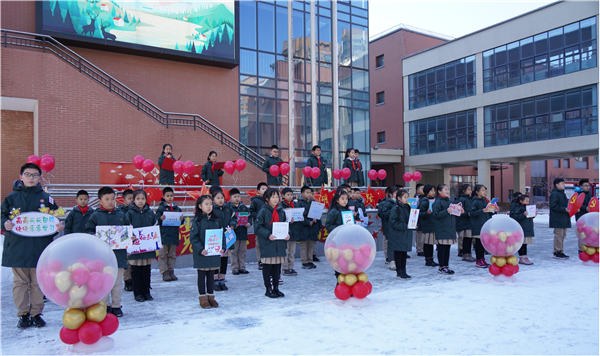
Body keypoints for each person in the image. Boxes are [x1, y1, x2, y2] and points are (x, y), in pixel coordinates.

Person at [1, 163, 63, 328]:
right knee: (20, 282)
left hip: (40, 248)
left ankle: (36, 313)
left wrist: (57, 226)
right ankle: (23, 314)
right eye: (27, 174)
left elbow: (55, 218)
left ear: (39, 178)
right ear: (21, 177)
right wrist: (4, 223)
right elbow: (2, 216)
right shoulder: (11, 198)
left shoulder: (47, 199)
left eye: (34, 175)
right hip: (17, 247)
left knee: (38, 282)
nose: (31, 178)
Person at [85, 186, 130, 317]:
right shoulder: (95, 215)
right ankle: (105, 305)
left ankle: (116, 306)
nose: (110, 202)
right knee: (103, 283)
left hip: (119, 256)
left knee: (117, 283)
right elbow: (87, 231)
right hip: (101, 257)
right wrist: (92, 235)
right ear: (100, 201)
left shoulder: (122, 214)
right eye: (106, 199)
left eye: (112, 199)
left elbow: (128, 230)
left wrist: (130, 236)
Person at [254, 188, 290, 298]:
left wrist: (287, 234)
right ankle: (268, 289)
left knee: (277, 267)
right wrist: (268, 235)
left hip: (279, 244)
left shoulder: (281, 211)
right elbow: (258, 227)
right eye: (273, 197)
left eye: (277, 196)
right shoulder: (263, 211)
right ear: (267, 199)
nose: (275, 199)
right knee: (267, 267)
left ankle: (276, 288)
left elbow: (285, 225)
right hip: (267, 244)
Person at [189, 195, 221, 309]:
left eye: (211, 204)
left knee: (211, 275)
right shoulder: (197, 221)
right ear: (200, 206)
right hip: (202, 254)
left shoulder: (216, 220)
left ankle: (211, 297)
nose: (209, 206)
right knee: (202, 276)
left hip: (213, 254)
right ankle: (202, 298)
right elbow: (193, 238)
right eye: (206, 204)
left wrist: (222, 247)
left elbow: (221, 235)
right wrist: (200, 249)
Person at [126, 189, 157, 302]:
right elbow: (126, 229)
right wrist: (130, 237)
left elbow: (155, 228)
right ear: (133, 200)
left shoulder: (150, 213)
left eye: (143, 198)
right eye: (138, 199)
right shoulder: (129, 213)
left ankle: (146, 292)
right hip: (135, 247)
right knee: (135, 271)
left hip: (147, 248)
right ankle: (138, 293)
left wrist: (157, 242)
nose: (140, 201)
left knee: (146, 270)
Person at [210, 188, 236, 291]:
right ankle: (215, 280)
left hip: (226, 237)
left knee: (224, 259)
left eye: (222, 198)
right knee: (216, 259)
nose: (220, 200)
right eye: (218, 198)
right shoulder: (211, 209)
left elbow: (234, 218)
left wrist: (233, 225)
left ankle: (222, 279)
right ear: (213, 199)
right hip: (215, 238)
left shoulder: (228, 208)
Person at [432, 184, 461, 275]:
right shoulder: (437, 202)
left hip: (449, 228)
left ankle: (446, 266)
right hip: (442, 228)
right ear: (439, 191)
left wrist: (460, 211)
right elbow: (436, 215)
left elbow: (453, 213)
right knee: (442, 248)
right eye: (445, 189)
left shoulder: (449, 201)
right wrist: (446, 211)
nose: (447, 191)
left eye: (448, 189)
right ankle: (441, 267)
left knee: (447, 248)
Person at [155, 187, 184, 282]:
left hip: (174, 235)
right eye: (167, 196)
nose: (170, 197)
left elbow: (181, 221)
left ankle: (171, 271)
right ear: (163, 197)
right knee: (162, 255)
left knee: (172, 255)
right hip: (164, 235)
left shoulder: (177, 209)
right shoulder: (161, 208)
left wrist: (181, 219)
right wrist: (161, 218)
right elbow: (156, 220)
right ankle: (164, 272)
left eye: (171, 195)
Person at [389, 189, 413, 280]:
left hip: (405, 235)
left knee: (404, 254)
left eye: (407, 197)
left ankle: (404, 271)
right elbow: (392, 222)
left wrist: (413, 224)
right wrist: (405, 226)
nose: (406, 199)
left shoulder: (407, 207)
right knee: (398, 254)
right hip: (398, 235)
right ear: (399, 198)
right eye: (404, 197)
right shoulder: (395, 209)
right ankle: (399, 272)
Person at [469, 185, 493, 268]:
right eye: (482, 190)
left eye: (485, 190)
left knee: (483, 244)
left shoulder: (486, 201)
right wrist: (481, 211)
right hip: (478, 226)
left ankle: (482, 259)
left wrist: (494, 210)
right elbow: (472, 213)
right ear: (477, 192)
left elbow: (489, 213)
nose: (485, 192)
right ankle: (478, 260)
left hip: (485, 225)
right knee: (478, 244)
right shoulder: (475, 201)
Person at [229, 188, 251, 275]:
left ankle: (242, 267)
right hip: (233, 233)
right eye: (234, 197)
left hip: (243, 232)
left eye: (238, 196)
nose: (237, 198)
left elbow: (249, 217)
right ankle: (234, 268)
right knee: (233, 251)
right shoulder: (229, 208)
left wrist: (249, 223)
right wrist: (233, 225)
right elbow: (227, 219)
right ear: (230, 198)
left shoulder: (244, 207)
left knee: (242, 251)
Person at [377, 186, 400, 269]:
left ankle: (396, 260)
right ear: (390, 194)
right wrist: (394, 210)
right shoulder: (387, 203)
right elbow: (383, 215)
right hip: (389, 227)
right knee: (390, 244)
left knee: (396, 244)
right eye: (395, 193)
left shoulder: (398, 203)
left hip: (397, 227)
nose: (397, 195)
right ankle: (391, 261)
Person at [297, 186, 320, 269]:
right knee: (304, 246)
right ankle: (304, 262)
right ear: (302, 194)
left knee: (311, 246)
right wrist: (308, 222)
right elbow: (299, 217)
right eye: (307, 193)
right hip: (304, 229)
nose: (309, 194)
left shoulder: (313, 203)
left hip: (312, 228)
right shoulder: (300, 203)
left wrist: (315, 219)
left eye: (310, 193)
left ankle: (310, 261)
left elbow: (316, 213)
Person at [549, 178, 571, 259]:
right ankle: (557, 251)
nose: (564, 185)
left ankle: (560, 250)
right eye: (562, 183)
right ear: (556, 185)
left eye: (564, 183)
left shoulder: (562, 193)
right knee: (559, 235)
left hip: (564, 217)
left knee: (563, 235)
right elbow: (553, 206)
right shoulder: (555, 193)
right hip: (558, 218)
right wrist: (564, 209)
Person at [281, 188, 301, 276]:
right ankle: (285, 268)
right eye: (288, 195)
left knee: (292, 252)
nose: (290, 197)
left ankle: (291, 267)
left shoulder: (295, 204)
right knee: (285, 251)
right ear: (283, 196)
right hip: (285, 231)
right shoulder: (281, 205)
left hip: (294, 231)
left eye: (291, 195)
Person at [510, 195, 535, 265]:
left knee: (525, 244)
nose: (528, 202)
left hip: (527, 228)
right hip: (521, 228)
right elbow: (514, 217)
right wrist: (523, 214)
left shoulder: (527, 208)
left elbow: (528, 218)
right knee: (521, 244)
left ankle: (525, 257)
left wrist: (533, 215)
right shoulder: (518, 208)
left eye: (528, 201)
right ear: (521, 201)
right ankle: (522, 257)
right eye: (526, 201)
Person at [418, 184, 439, 267]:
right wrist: (427, 213)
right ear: (426, 192)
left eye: (434, 190)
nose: (433, 192)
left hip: (433, 224)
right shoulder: (424, 201)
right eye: (431, 191)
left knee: (431, 243)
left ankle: (431, 259)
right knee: (427, 243)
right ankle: (428, 259)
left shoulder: (434, 200)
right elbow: (420, 213)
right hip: (427, 225)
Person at [250, 182, 268, 270]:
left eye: (266, 189)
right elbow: (251, 211)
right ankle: (260, 261)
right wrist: (259, 216)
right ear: (258, 191)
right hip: (258, 226)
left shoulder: (269, 200)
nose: (265, 190)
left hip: (268, 227)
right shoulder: (255, 200)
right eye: (263, 189)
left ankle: (266, 260)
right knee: (259, 245)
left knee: (266, 244)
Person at [119, 188, 134, 292]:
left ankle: (135, 280)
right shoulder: (121, 212)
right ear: (124, 201)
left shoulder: (138, 210)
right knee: (128, 260)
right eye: (129, 199)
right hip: (125, 238)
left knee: (135, 260)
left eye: (134, 198)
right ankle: (128, 281)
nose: (132, 201)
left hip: (137, 238)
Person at [455, 184, 474, 261]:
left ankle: (468, 253)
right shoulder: (462, 199)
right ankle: (465, 254)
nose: (470, 191)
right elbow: (460, 212)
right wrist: (467, 213)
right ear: (463, 191)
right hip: (465, 222)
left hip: (469, 221)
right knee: (466, 239)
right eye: (468, 189)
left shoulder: (469, 199)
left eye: (470, 189)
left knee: (469, 239)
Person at [575, 179, 593, 252]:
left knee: (589, 232)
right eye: (585, 186)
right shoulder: (578, 194)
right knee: (582, 233)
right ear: (581, 186)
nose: (587, 187)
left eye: (588, 186)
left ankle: (588, 248)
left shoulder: (589, 194)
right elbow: (577, 204)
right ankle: (581, 249)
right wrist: (585, 208)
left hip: (589, 217)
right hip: (581, 216)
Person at [414, 183, 425, 257]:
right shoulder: (415, 199)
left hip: (424, 220)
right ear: (418, 191)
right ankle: (420, 250)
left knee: (423, 235)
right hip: (418, 220)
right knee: (419, 235)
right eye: (422, 189)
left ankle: (422, 249)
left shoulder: (426, 198)